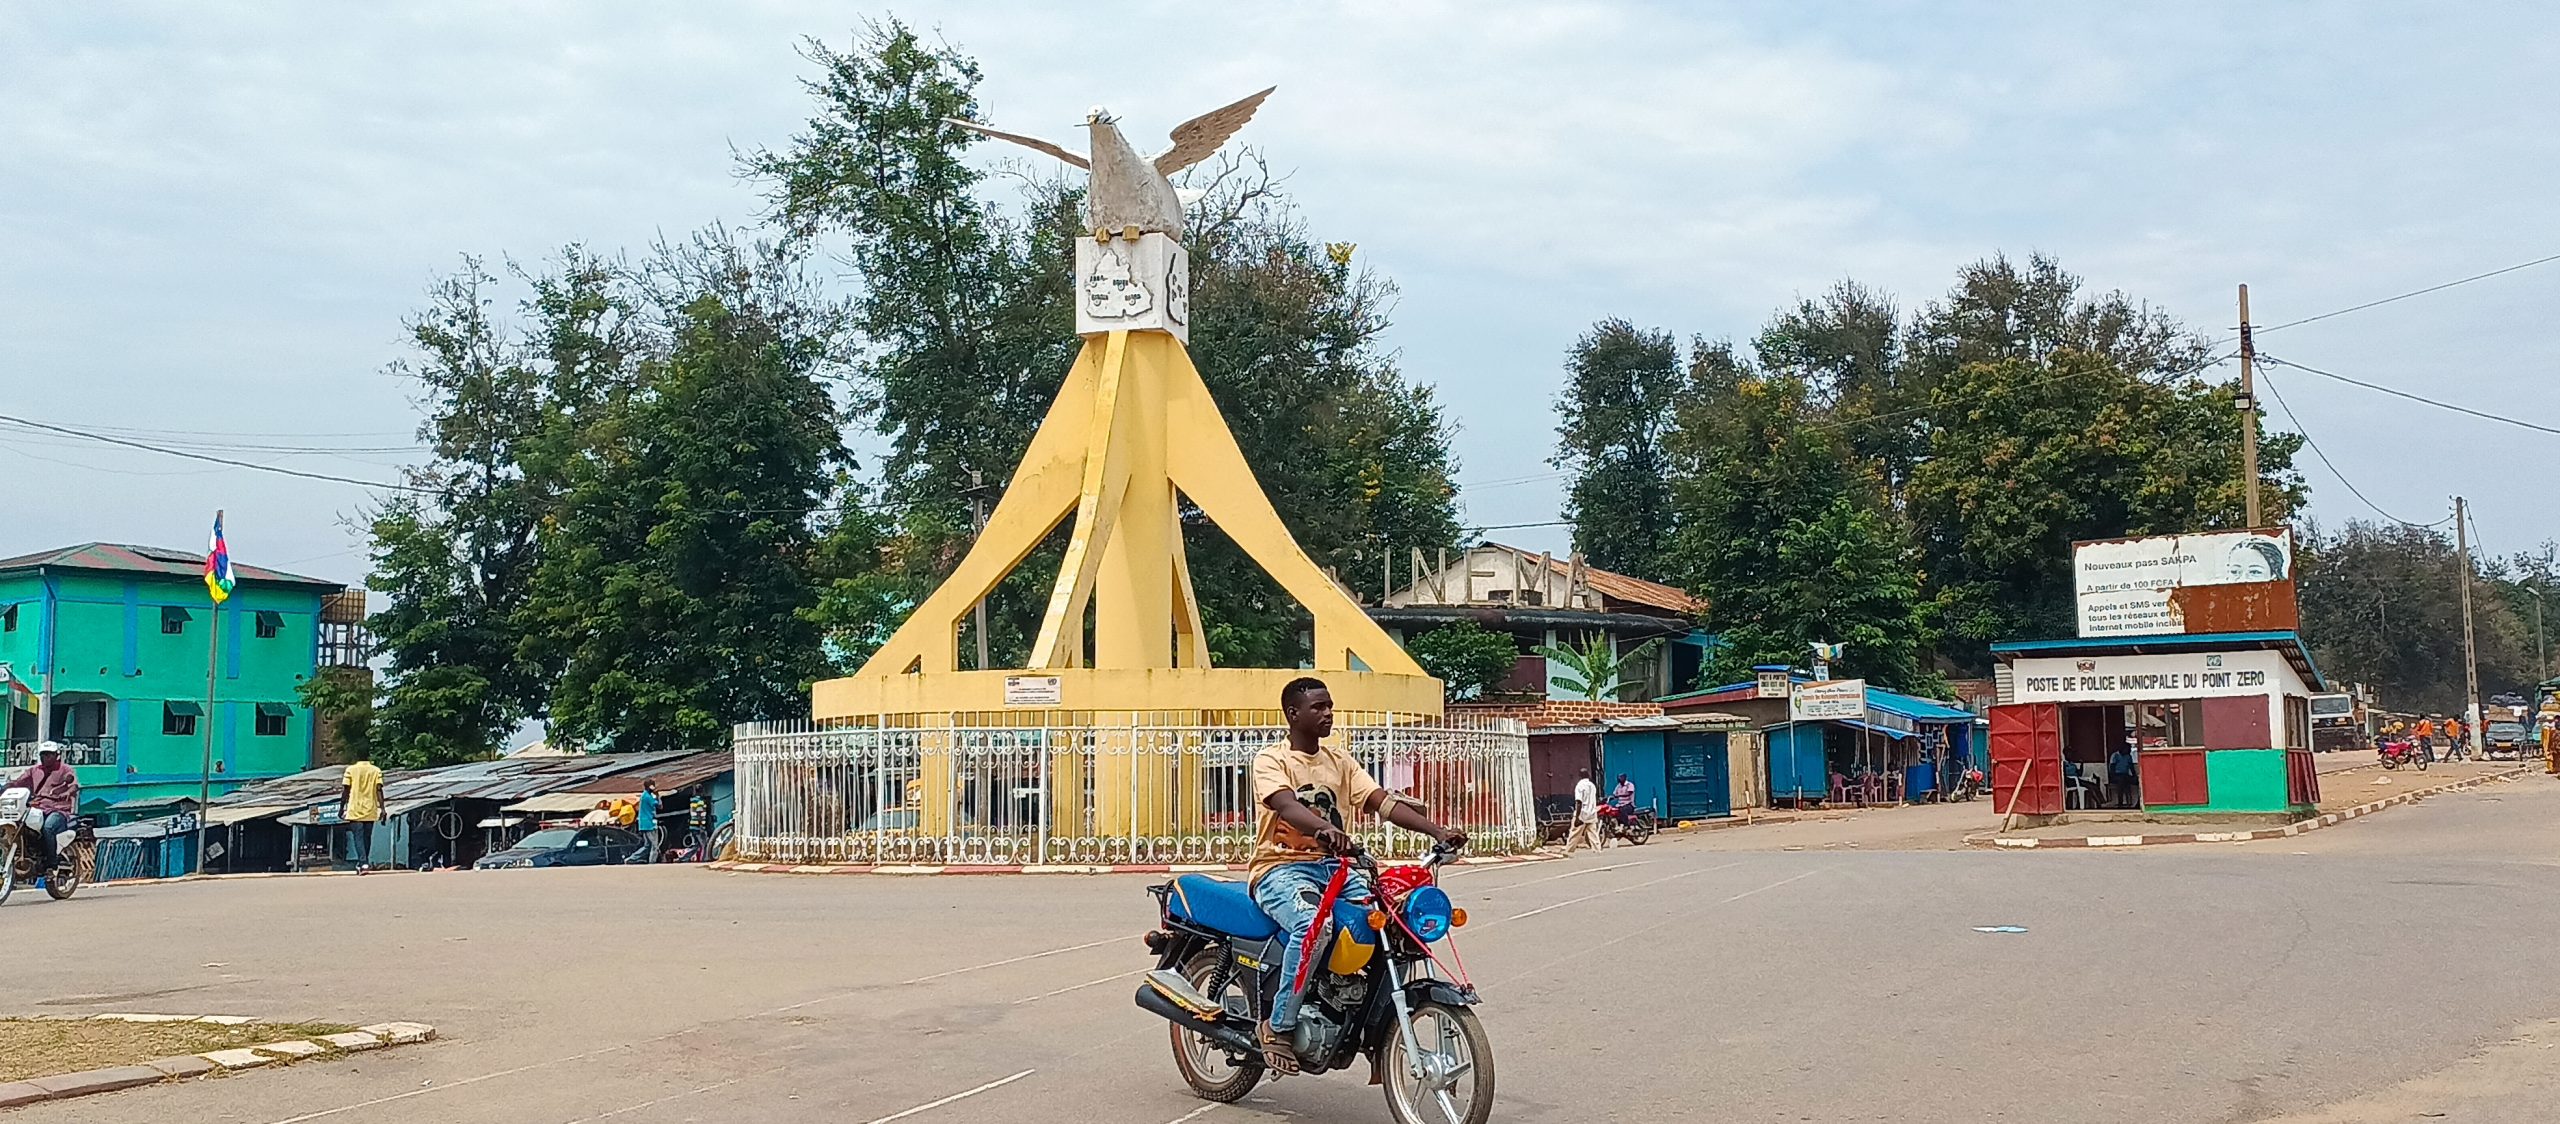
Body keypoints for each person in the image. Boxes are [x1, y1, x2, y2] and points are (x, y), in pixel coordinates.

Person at [1250, 676, 1465, 1075]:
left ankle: (1364, 1013)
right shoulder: (1271, 760)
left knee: (1397, 915)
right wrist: (1322, 828)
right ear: (1293, 714)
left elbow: (1382, 802)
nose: (1328, 713)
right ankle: (1278, 1027)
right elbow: (1285, 805)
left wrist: (1437, 831)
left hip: (1337, 868)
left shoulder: (1341, 762)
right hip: (1280, 870)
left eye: (1329, 705)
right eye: (1318, 707)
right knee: (1314, 925)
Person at [7, 743, 80, 870]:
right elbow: (19, 782)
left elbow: (73, 785)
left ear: (56, 755)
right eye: (43, 754)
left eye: (49, 754)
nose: (45, 757)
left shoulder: (65, 770)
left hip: (58, 809)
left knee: (48, 827)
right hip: (37, 807)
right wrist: (7, 786)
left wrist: (66, 793)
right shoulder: (34, 770)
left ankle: (51, 864)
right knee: (20, 824)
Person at [340, 748, 383, 872]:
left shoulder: (350, 770)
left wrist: (342, 808)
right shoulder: (376, 771)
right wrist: (383, 809)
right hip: (371, 808)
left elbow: (346, 791)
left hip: (355, 808)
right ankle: (364, 862)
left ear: (356, 756)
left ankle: (363, 863)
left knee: (358, 837)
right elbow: (379, 790)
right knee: (367, 837)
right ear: (369, 756)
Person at [1562, 770, 1604, 855]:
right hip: (1592, 813)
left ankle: (1569, 851)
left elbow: (1579, 802)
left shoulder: (1580, 786)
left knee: (1574, 833)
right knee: (1593, 833)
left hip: (1582, 813)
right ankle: (1597, 850)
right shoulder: (1592, 786)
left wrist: (1577, 817)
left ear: (1580, 776)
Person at [2107, 739, 2140, 809]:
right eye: (2127, 749)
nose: (2129, 751)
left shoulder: (2128, 757)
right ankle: (2120, 802)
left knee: (2137, 781)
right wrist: (2113, 776)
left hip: (2125, 775)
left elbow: (2131, 767)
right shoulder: (2115, 755)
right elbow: (2112, 768)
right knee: (2121, 782)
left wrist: (2134, 776)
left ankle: (2137, 801)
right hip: (2116, 775)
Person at [635, 780, 662, 863]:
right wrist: (658, 795)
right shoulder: (647, 797)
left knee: (647, 845)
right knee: (655, 846)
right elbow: (660, 806)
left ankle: (631, 859)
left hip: (644, 823)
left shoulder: (646, 795)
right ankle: (652, 863)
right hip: (649, 824)